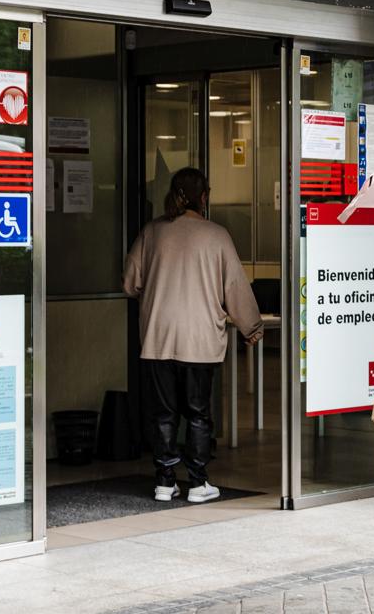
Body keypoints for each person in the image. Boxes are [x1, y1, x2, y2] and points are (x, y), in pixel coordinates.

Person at [124, 167, 264, 503]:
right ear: (203, 197)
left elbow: (130, 283)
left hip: (158, 338)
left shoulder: (151, 232)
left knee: (163, 414)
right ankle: (198, 482)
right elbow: (234, 287)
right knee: (198, 413)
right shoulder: (216, 235)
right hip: (199, 341)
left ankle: (164, 480)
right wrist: (251, 327)